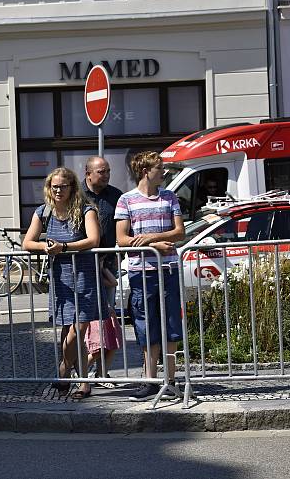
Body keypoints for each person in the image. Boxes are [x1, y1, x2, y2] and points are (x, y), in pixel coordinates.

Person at [22, 167, 101, 400]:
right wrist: (46, 246)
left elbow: (93, 239)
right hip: (60, 277)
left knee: (78, 330)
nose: (57, 190)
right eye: (54, 186)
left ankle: (64, 370)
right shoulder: (43, 211)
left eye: (62, 186)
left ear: (72, 187)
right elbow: (28, 242)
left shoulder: (86, 210)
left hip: (84, 275)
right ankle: (84, 383)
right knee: (68, 330)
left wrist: (64, 247)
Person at [115, 151, 185, 401]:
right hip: (140, 273)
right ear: (146, 171)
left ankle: (171, 379)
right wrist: (154, 247)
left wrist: (153, 238)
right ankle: (151, 379)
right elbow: (121, 239)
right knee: (146, 325)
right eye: (160, 168)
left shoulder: (169, 197)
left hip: (168, 270)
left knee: (171, 325)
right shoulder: (126, 200)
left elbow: (180, 232)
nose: (163, 172)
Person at [81, 157, 124, 385]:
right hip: (81, 266)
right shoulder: (76, 195)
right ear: (88, 173)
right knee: (81, 323)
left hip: (107, 266)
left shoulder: (115, 195)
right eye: (100, 171)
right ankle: (75, 371)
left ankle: (101, 372)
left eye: (108, 171)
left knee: (106, 321)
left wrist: (117, 257)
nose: (106, 175)